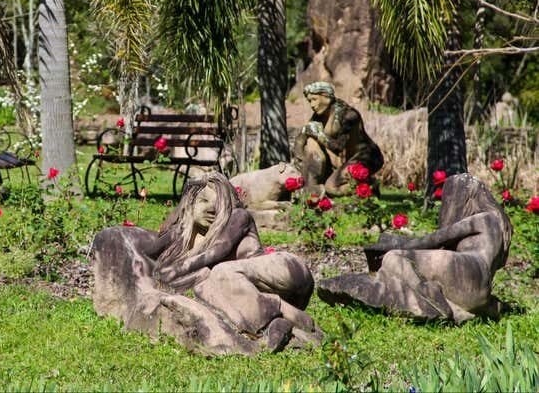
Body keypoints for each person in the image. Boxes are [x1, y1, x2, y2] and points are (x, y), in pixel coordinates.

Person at [318, 174, 512, 322]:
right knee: (398, 259)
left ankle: (429, 300)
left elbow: (434, 240)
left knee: (393, 258)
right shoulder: (497, 223)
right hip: (479, 291)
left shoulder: (482, 219)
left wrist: (393, 245)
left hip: (466, 269)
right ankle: (468, 310)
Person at [152, 172, 319, 343]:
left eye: (219, 202)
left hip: (286, 267)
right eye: (204, 201)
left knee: (222, 271)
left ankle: (289, 321)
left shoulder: (237, 216)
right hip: (256, 290)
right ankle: (277, 325)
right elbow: (150, 248)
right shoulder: (190, 236)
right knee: (204, 288)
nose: (212, 208)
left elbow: (218, 251)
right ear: (188, 205)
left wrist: (176, 270)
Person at [292, 81, 383, 195]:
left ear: (326, 97)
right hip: (347, 159)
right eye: (309, 101)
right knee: (328, 185)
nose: (312, 105)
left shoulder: (348, 115)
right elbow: (303, 136)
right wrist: (299, 156)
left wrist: (319, 134)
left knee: (332, 187)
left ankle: (369, 186)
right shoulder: (320, 114)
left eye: (314, 99)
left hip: (368, 156)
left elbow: (338, 147)